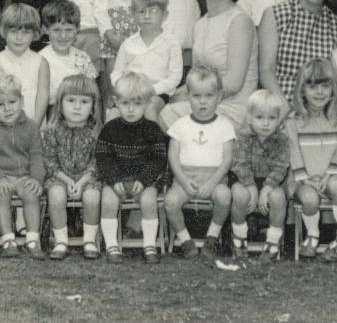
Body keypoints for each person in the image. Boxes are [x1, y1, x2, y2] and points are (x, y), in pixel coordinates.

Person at [159, 0, 259, 131]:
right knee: (152, 106)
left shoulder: (239, 21)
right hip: (204, 102)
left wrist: (186, 95)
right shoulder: (200, 24)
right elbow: (197, 78)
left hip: (232, 109)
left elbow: (233, 83)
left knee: (165, 115)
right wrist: (165, 95)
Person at [96, 72, 168, 264]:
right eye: (126, 103)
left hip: (142, 181)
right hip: (117, 180)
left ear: (146, 104)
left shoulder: (153, 130)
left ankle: (149, 244)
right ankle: (112, 245)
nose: (131, 109)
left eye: (137, 104)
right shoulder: (109, 129)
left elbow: (158, 160)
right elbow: (103, 158)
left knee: (149, 201)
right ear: (116, 102)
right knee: (108, 200)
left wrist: (144, 180)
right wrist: (114, 179)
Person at [258, 0, 337, 109]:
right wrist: (286, 111)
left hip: (320, 113)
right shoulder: (275, 15)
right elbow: (266, 71)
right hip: (280, 109)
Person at [165, 66, 235, 259]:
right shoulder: (180, 125)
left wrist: (212, 182)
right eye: (196, 96)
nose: (202, 102)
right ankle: (185, 240)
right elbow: (173, 156)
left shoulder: (225, 126)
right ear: (187, 96)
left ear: (219, 96)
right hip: (185, 179)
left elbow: (227, 159)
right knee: (170, 202)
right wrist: (183, 181)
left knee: (224, 196)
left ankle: (212, 237)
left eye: (209, 96)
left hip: (214, 180)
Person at [286, 58, 337, 262]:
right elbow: (293, 153)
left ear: (333, 90)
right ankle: (312, 235)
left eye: (325, 85)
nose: (320, 92)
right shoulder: (293, 121)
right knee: (310, 198)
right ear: (302, 90)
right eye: (313, 86)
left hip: (331, 175)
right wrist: (305, 179)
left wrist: (329, 174)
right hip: (301, 180)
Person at [0, 74, 46, 260]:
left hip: (24, 175)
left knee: (32, 192)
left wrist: (36, 178)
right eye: (0, 105)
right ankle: (8, 239)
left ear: (22, 101)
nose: (7, 108)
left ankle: (33, 239)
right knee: (2, 193)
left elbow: (37, 156)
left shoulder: (32, 127)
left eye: (12, 102)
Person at [42, 74, 103, 260]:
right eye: (71, 100)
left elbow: (98, 161)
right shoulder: (52, 130)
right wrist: (67, 180)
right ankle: (61, 241)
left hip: (89, 178)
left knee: (92, 197)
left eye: (84, 102)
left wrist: (84, 180)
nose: (77, 107)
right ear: (60, 104)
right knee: (56, 195)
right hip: (60, 178)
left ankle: (89, 240)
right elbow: (50, 160)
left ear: (93, 107)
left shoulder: (97, 131)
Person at [230, 90, 290, 263]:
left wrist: (266, 188)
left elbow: (281, 166)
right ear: (250, 117)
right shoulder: (243, 136)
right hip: (244, 179)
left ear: (279, 119)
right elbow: (240, 163)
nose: (265, 123)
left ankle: (272, 242)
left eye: (271, 118)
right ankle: (238, 237)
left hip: (270, 181)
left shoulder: (282, 140)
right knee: (241, 196)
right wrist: (251, 188)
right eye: (259, 117)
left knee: (278, 198)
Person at [110, 0, 182, 122]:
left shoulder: (172, 43)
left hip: (157, 93)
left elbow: (175, 77)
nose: (147, 16)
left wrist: (152, 89)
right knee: (111, 118)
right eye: (141, 11)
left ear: (164, 15)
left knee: (149, 110)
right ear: (133, 14)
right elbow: (116, 73)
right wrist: (124, 88)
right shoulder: (128, 44)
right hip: (128, 93)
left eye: (153, 11)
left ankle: (154, 143)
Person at [39, 0, 98, 119]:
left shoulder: (82, 58)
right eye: (56, 30)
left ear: (78, 29)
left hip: (79, 113)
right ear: (45, 29)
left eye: (69, 30)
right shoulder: (40, 59)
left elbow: (93, 91)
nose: (63, 36)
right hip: (50, 113)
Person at [0, 3, 49, 124]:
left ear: (34, 34)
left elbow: (43, 96)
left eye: (26, 32)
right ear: (4, 32)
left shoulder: (41, 62)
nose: (19, 37)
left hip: (36, 126)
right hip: (7, 127)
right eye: (13, 31)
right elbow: (2, 99)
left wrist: (35, 126)